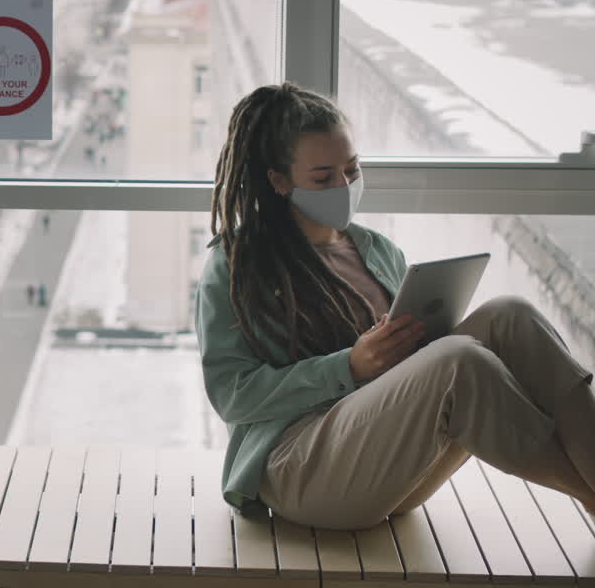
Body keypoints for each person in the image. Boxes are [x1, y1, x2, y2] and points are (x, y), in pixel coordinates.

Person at [197, 82, 595, 530]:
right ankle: (590, 497)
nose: (344, 186)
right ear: (279, 181)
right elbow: (232, 395)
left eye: (352, 169)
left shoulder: (376, 250)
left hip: (391, 460)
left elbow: (415, 376)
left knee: (511, 315)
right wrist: (349, 367)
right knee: (459, 360)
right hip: (299, 470)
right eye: (323, 178)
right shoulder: (236, 266)